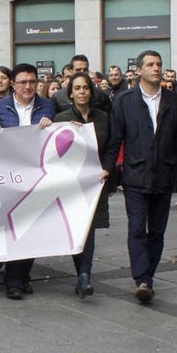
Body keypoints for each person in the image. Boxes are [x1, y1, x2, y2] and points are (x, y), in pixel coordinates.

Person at [100, 50, 177, 303]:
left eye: (159, 64)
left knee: (157, 231)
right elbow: (116, 139)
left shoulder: (172, 100)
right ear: (139, 70)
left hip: (163, 173)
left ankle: (148, 274)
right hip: (135, 175)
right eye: (150, 64)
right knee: (137, 228)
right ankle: (142, 278)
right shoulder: (125, 100)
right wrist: (108, 168)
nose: (156, 68)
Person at [0, 63, 56, 300]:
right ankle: (13, 280)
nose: (28, 86)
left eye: (32, 82)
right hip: (9, 176)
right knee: (12, 229)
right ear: (13, 84)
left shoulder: (48, 106)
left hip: (37, 175)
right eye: (23, 82)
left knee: (32, 228)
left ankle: (24, 275)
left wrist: (52, 126)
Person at [54, 73, 111, 297]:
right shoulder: (62, 118)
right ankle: (83, 275)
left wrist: (108, 168)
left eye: (85, 88)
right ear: (70, 93)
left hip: (96, 181)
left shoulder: (104, 117)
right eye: (77, 88)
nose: (81, 92)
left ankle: (84, 275)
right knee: (78, 228)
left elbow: (112, 145)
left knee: (91, 227)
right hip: (72, 183)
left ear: (91, 91)